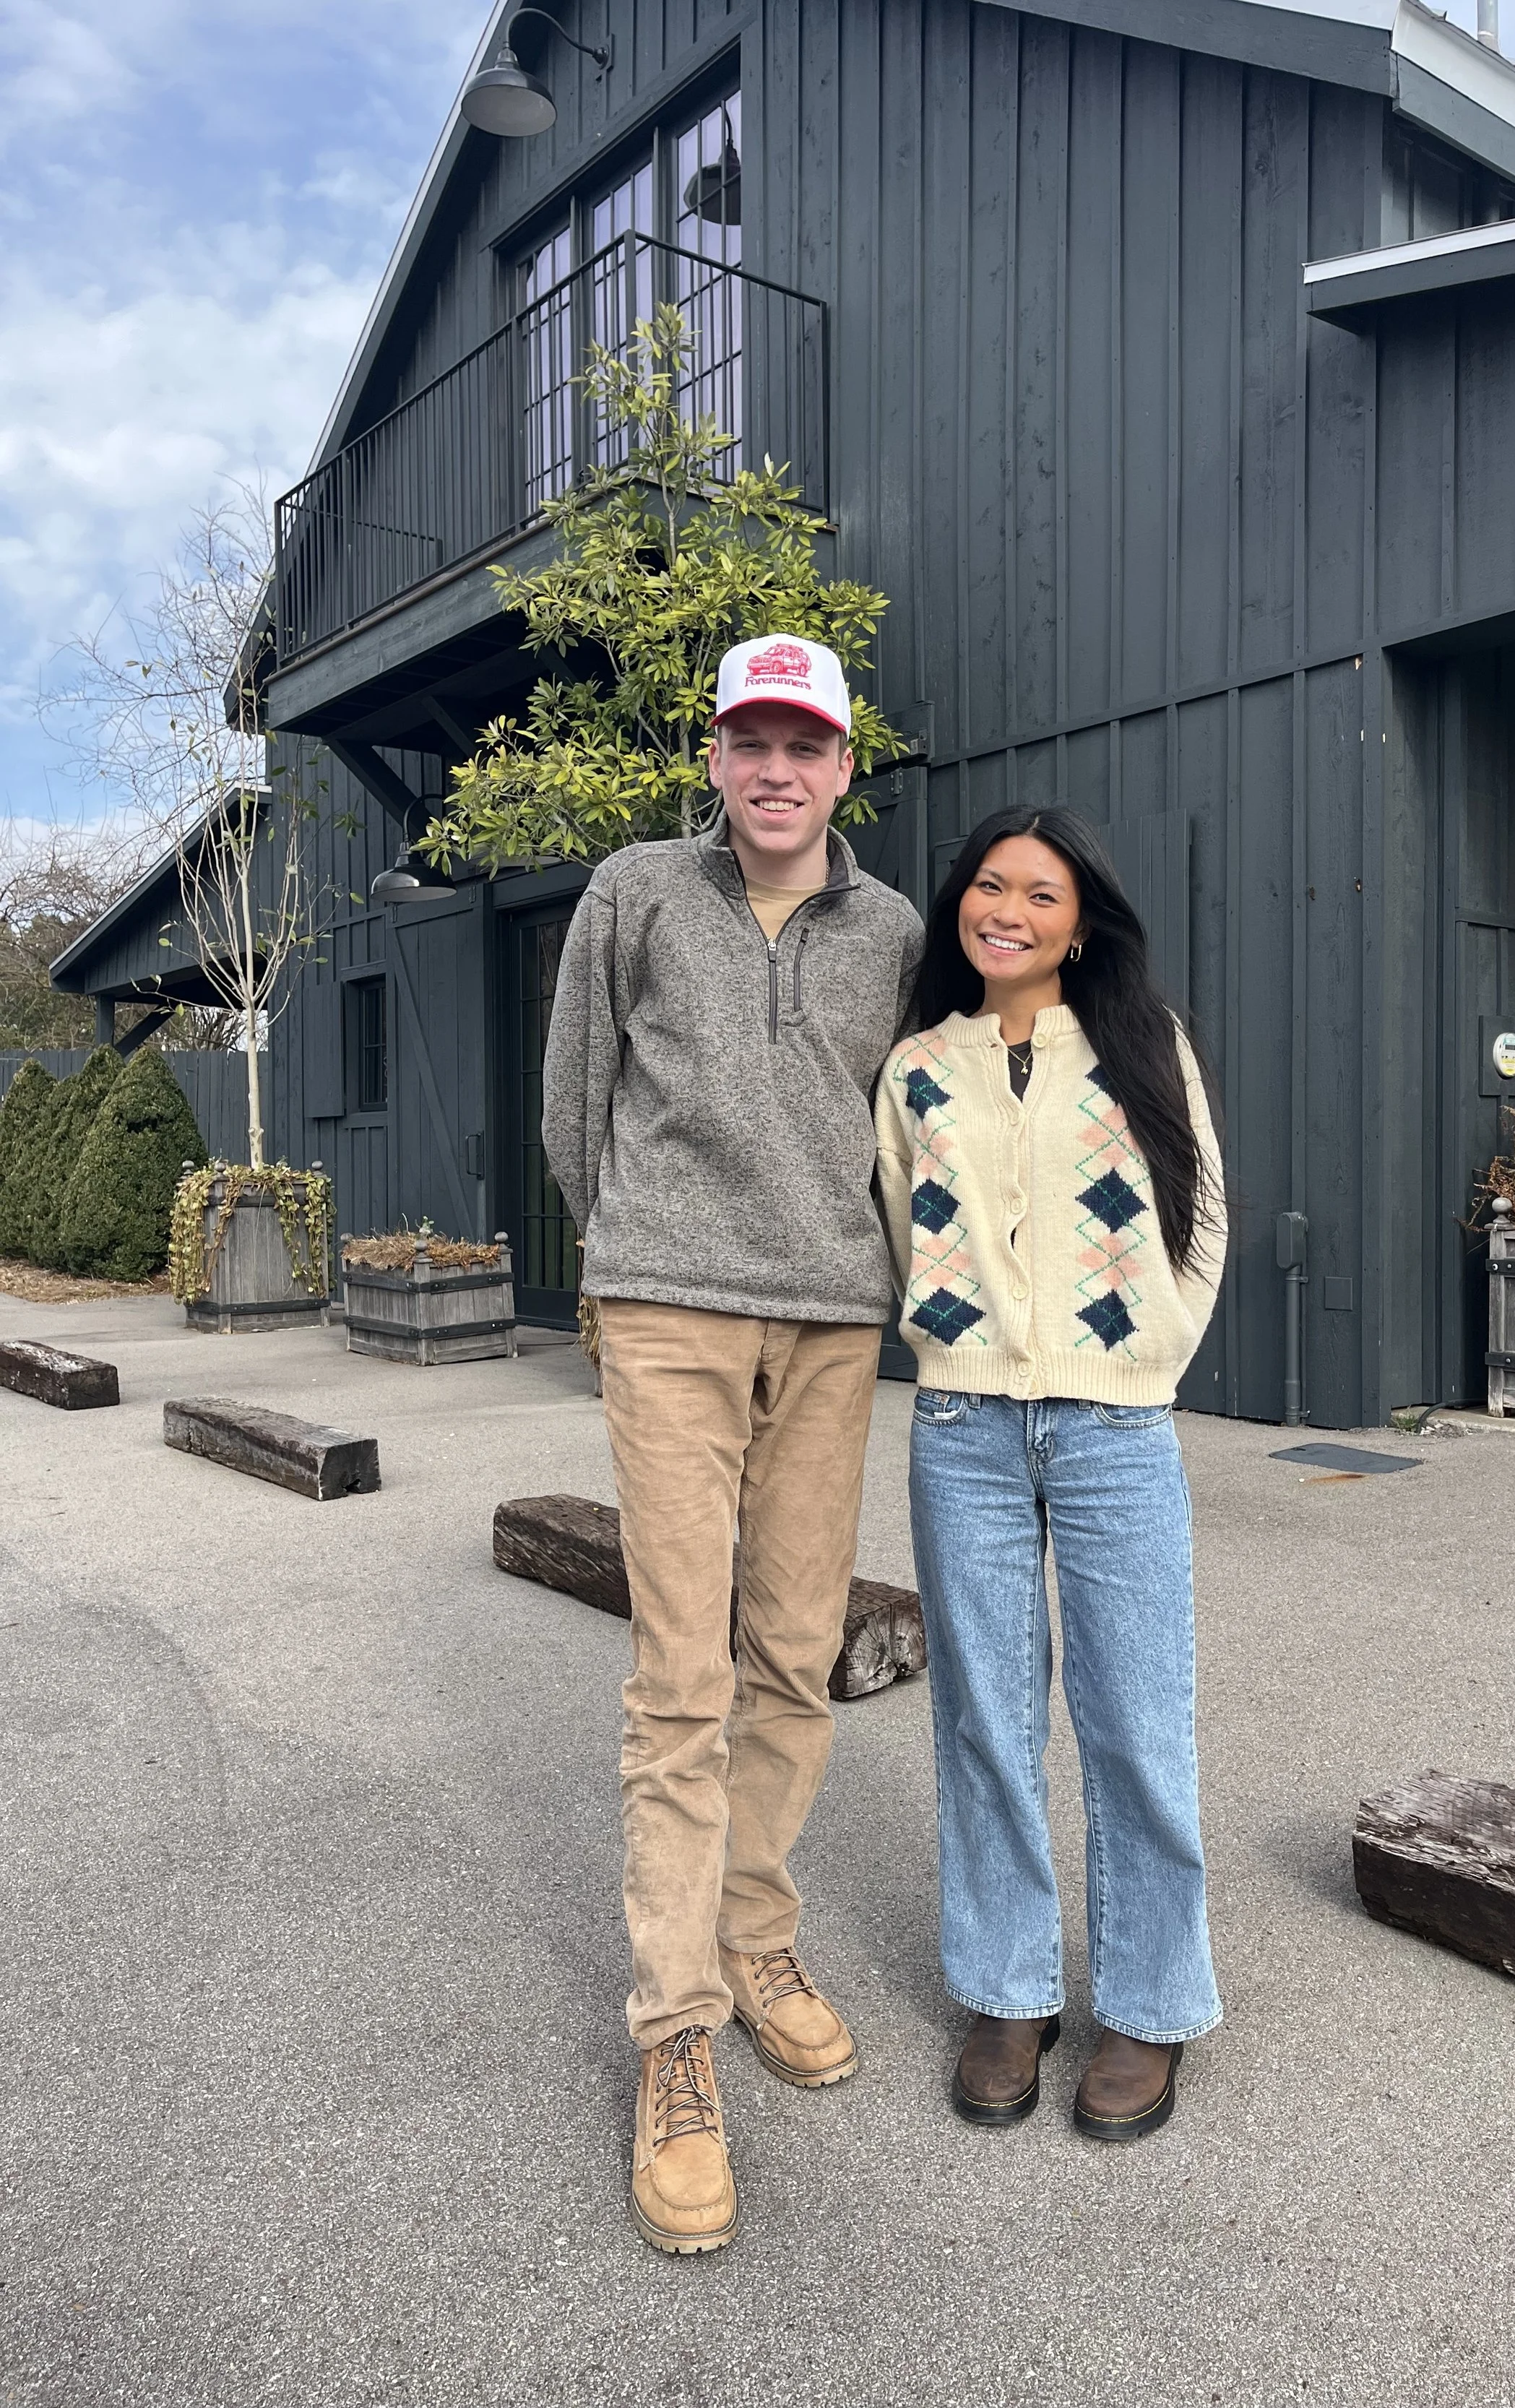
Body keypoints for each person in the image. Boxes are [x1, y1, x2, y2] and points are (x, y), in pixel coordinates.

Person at [541, 634, 923, 2254]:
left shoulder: (896, 928)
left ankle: (756, 1930)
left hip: (833, 1325)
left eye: (806, 744)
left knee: (788, 1653)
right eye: (749, 739)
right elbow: (575, 1101)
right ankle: (675, 2026)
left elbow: (910, 1114)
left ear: (844, 766)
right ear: (710, 755)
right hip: (671, 1314)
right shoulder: (632, 891)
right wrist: (631, 1265)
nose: (777, 768)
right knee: (678, 1672)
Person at [874, 805, 1227, 2143]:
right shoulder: (915, 1067)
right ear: (960, 904)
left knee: (1138, 1717)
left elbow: (1203, 1222)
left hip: (1114, 1426)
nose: (1006, 908)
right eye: (986, 884)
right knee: (985, 1718)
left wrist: (1150, 1354)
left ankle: (1148, 2004)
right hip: (962, 1429)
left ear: (1083, 922)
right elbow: (891, 1219)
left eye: (1040, 891)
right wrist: (946, 1339)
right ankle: (1009, 1989)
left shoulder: (1143, 1048)